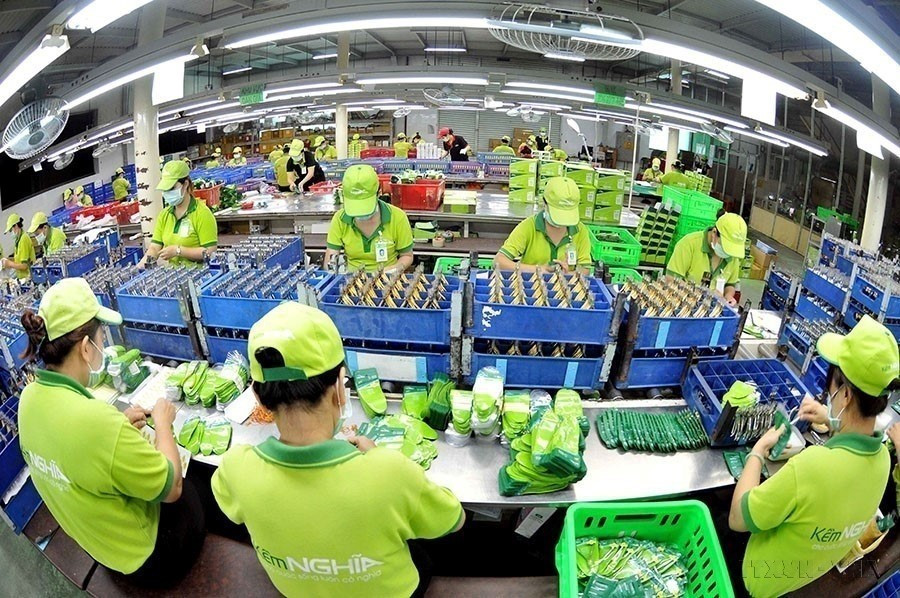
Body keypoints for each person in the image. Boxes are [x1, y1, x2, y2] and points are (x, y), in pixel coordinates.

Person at [211, 301, 464, 597]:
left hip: (294, 589)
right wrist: (377, 458)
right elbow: (453, 520)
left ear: (258, 396)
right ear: (339, 389)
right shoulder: (389, 472)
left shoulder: (235, 468)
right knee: (421, 556)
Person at [17, 278, 205, 587]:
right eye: (102, 337)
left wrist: (116, 426)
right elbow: (171, 488)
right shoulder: (97, 422)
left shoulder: (29, 401)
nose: (104, 345)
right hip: (147, 559)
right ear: (86, 347)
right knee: (192, 482)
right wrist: (163, 424)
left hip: (100, 546)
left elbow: (78, 452)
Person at [729, 315, 899, 598]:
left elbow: (738, 519)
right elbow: (849, 454)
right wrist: (833, 421)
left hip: (761, 582)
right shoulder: (882, 459)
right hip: (806, 575)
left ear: (845, 395)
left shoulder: (811, 466)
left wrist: (757, 452)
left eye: (831, 386)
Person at [324, 164, 414, 272]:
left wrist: (391, 270)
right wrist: (335, 273)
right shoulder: (340, 219)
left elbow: (407, 256)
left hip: (388, 279)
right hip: (351, 279)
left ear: (378, 193)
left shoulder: (397, 217)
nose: (361, 214)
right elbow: (331, 259)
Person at [493, 177, 593, 274]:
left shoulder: (580, 230)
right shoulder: (529, 227)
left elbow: (585, 269)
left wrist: (566, 274)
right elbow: (499, 261)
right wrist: (538, 270)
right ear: (545, 203)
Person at [138, 160, 217, 268]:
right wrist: (139, 268)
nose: (167, 193)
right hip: (173, 275)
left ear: (185, 184)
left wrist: (178, 251)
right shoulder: (165, 215)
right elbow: (154, 248)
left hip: (199, 276)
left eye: (171, 188)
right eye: (165, 190)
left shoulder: (202, 214)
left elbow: (210, 252)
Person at [666, 213, 746, 305]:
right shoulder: (688, 244)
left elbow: (730, 284)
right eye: (725, 247)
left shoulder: (733, 255)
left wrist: (728, 296)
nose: (728, 253)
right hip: (682, 305)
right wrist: (702, 295)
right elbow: (670, 280)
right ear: (714, 233)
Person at [2, 213, 35, 279]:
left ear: (16, 226)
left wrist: (9, 264)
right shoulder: (18, 240)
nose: (11, 233)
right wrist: (8, 260)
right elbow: (20, 259)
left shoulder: (23, 239)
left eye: (11, 230)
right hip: (22, 277)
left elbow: (24, 266)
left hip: (28, 276)